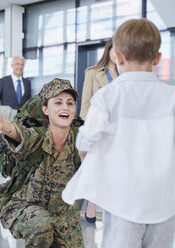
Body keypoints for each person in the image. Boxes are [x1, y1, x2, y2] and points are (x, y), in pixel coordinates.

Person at [62, 18, 175, 248]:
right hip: (163, 201)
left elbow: (84, 143)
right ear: (158, 58)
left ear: (117, 56)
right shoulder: (173, 95)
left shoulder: (107, 96)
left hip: (122, 200)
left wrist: (97, 168)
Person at [0, 79, 84, 247]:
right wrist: (3, 125)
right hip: (26, 207)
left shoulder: (80, 138)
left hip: (63, 212)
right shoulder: (38, 136)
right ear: (45, 109)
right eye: (58, 103)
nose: (65, 107)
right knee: (41, 226)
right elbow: (21, 134)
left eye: (70, 103)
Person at [80, 38, 118, 223]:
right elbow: (85, 104)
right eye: (116, 49)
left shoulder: (126, 74)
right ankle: (91, 205)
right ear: (109, 50)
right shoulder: (93, 73)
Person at [0, 56, 31, 191]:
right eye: (17, 64)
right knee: (0, 151)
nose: (19, 66)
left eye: (22, 64)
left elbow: (28, 104)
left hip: (20, 122)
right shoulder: (3, 81)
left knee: (20, 151)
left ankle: (17, 183)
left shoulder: (27, 83)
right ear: (12, 65)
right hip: (5, 120)